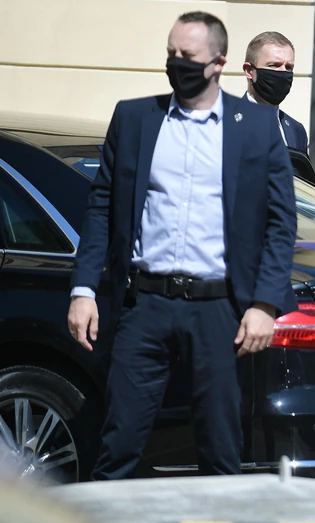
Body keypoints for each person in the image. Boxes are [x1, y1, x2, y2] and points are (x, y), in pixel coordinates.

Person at [67, 11, 298, 479]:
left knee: (220, 452)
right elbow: (102, 206)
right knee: (117, 448)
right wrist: (84, 288)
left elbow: (281, 222)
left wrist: (265, 304)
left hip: (218, 311)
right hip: (144, 306)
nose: (176, 62)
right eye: (171, 53)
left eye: (187, 55)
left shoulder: (254, 127)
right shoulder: (135, 118)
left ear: (218, 62)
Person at [243, 31, 308, 152]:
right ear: (249, 71)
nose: (283, 72)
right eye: (274, 65)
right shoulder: (225, 123)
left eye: (288, 67)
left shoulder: (297, 131)